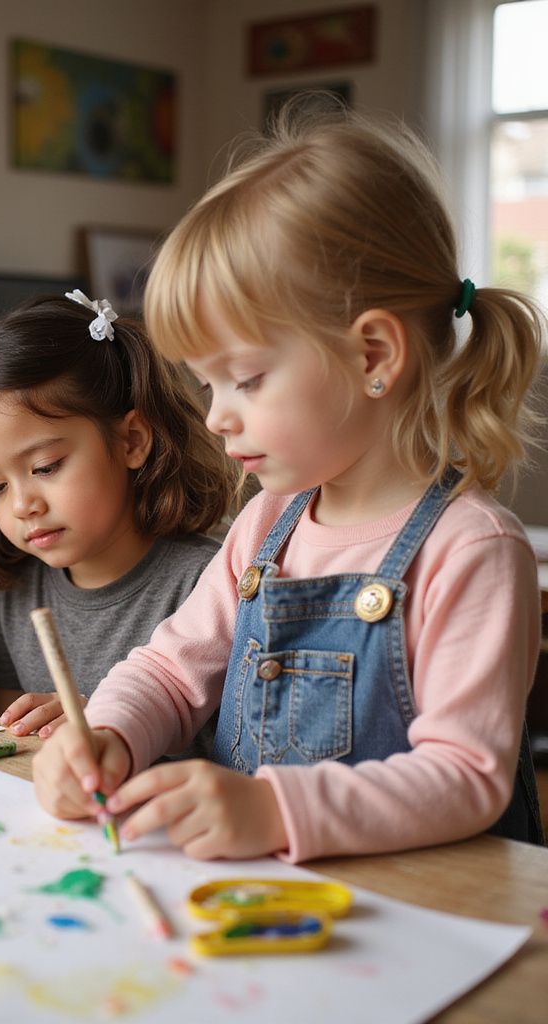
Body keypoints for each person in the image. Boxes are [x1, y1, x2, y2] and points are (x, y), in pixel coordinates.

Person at [33, 107, 546, 861]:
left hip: (425, 924)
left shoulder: (473, 549)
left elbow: (466, 776)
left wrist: (274, 810)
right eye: (208, 386)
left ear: (373, 354)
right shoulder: (269, 523)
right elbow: (172, 673)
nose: (215, 419)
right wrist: (107, 732)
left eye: (244, 380)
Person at [0, 293, 236, 743]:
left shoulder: (207, 586)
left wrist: (110, 725)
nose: (22, 505)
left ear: (132, 440)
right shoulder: (15, 593)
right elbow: (11, 742)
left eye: (46, 467)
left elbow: (235, 759)